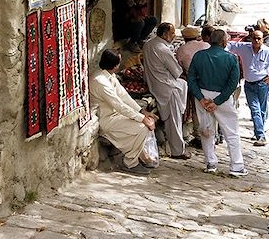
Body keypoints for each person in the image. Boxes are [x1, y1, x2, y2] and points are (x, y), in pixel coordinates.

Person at [187, 29, 247, 176]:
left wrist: (201, 98)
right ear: (224, 41)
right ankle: (236, 166)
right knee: (231, 132)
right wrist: (218, 101)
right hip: (223, 97)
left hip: (203, 95)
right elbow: (233, 83)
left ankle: (211, 163)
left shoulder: (199, 56)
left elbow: (191, 79)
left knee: (206, 131)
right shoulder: (231, 58)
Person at [89, 49, 158, 176]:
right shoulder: (100, 81)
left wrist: (141, 111)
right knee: (142, 128)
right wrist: (141, 119)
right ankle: (130, 163)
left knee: (143, 124)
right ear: (115, 66)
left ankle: (141, 156)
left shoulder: (109, 76)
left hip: (115, 115)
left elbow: (124, 96)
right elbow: (119, 105)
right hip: (106, 119)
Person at [228, 29, 269, 146]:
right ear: (251, 38)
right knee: (255, 109)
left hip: (262, 84)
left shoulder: (268, 52)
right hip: (249, 84)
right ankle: (260, 135)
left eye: (259, 38)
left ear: (263, 39)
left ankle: (259, 132)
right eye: (254, 38)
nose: (256, 40)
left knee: (262, 109)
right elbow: (229, 45)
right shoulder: (244, 48)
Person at [143, 23, 189, 159]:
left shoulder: (148, 44)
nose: (174, 36)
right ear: (164, 35)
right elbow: (177, 71)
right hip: (167, 87)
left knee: (172, 119)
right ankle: (177, 151)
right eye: (173, 33)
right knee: (174, 121)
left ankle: (174, 147)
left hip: (153, 84)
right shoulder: (163, 49)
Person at [176, 26, 210, 149]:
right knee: (211, 108)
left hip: (194, 81)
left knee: (197, 110)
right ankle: (213, 136)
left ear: (184, 38)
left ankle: (199, 137)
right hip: (209, 80)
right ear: (197, 36)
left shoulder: (181, 50)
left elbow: (179, 69)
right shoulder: (206, 46)